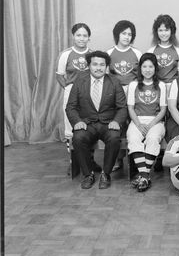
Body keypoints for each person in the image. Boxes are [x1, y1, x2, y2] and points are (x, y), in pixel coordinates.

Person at [66, 51, 128, 189]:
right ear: (89, 65)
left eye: (102, 65)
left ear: (106, 66)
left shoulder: (114, 82)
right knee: (78, 138)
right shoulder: (79, 81)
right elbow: (70, 107)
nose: (98, 68)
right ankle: (88, 174)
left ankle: (106, 174)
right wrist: (77, 122)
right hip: (87, 123)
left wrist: (117, 121)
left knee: (114, 138)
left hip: (108, 123)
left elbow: (122, 107)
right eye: (95, 64)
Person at [56, 23, 101, 173]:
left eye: (85, 35)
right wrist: (70, 89)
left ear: (89, 37)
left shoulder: (93, 54)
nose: (81, 38)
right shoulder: (66, 54)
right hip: (71, 93)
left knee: (90, 126)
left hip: (90, 93)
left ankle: (90, 160)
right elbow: (60, 75)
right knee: (71, 128)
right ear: (73, 36)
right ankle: (73, 161)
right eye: (78, 35)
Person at [126, 53, 167, 192]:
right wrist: (138, 124)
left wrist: (150, 125)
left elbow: (163, 110)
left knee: (153, 138)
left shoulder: (161, 85)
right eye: (144, 66)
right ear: (140, 68)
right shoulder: (133, 85)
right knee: (133, 138)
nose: (148, 69)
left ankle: (142, 176)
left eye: (151, 66)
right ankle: (145, 177)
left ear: (155, 68)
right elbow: (130, 108)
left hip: (156, 121)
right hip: (137, 120)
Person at [106, 20, 142, 172]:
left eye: (130, 34)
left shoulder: (137, 53)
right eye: (124, 33)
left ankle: (135, 157)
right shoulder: (109, 53)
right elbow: (106, 77)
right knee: (118, 124)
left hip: (133, 91)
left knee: (133, 123)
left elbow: (142, 75)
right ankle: (118, 158)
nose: (127, 37)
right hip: (115, 92)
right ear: (117, 34)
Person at [147, 14, 179, 92]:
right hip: (156, 88)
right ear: (156, 32)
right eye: (160, 30)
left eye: (166, 30)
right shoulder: (151, 51)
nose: (163, 34)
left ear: (172, 31)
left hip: (174, 88)